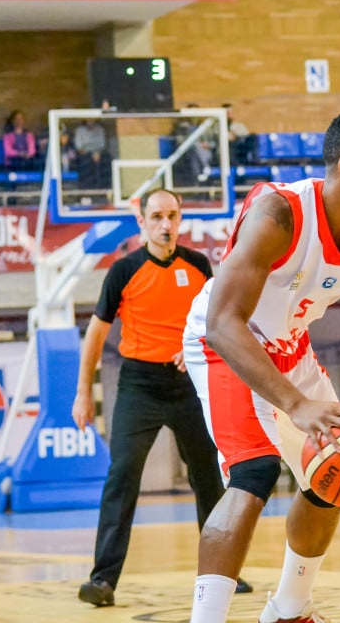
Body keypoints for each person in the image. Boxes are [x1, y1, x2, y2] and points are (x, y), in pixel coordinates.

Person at [181, 110, 340, 623]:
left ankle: (290, 609)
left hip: (289, 347)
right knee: (255, 471)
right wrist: (296, 403)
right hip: (223, 341)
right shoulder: (280, 214)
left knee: (332, 470)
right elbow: (224, 322)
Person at [72, 189, 251, 607]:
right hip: (139, 385)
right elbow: (96, 333)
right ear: (142, 222)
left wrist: (196, 348)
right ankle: (103, 580)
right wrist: (83, 392)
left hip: (188, 382)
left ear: (180, 218)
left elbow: (217, 320)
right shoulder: (123, 270)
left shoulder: (198, 265)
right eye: (156, 217)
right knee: (122, 475)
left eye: (171, 216)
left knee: (208, 476)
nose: (165, 224)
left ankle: (223, 574)